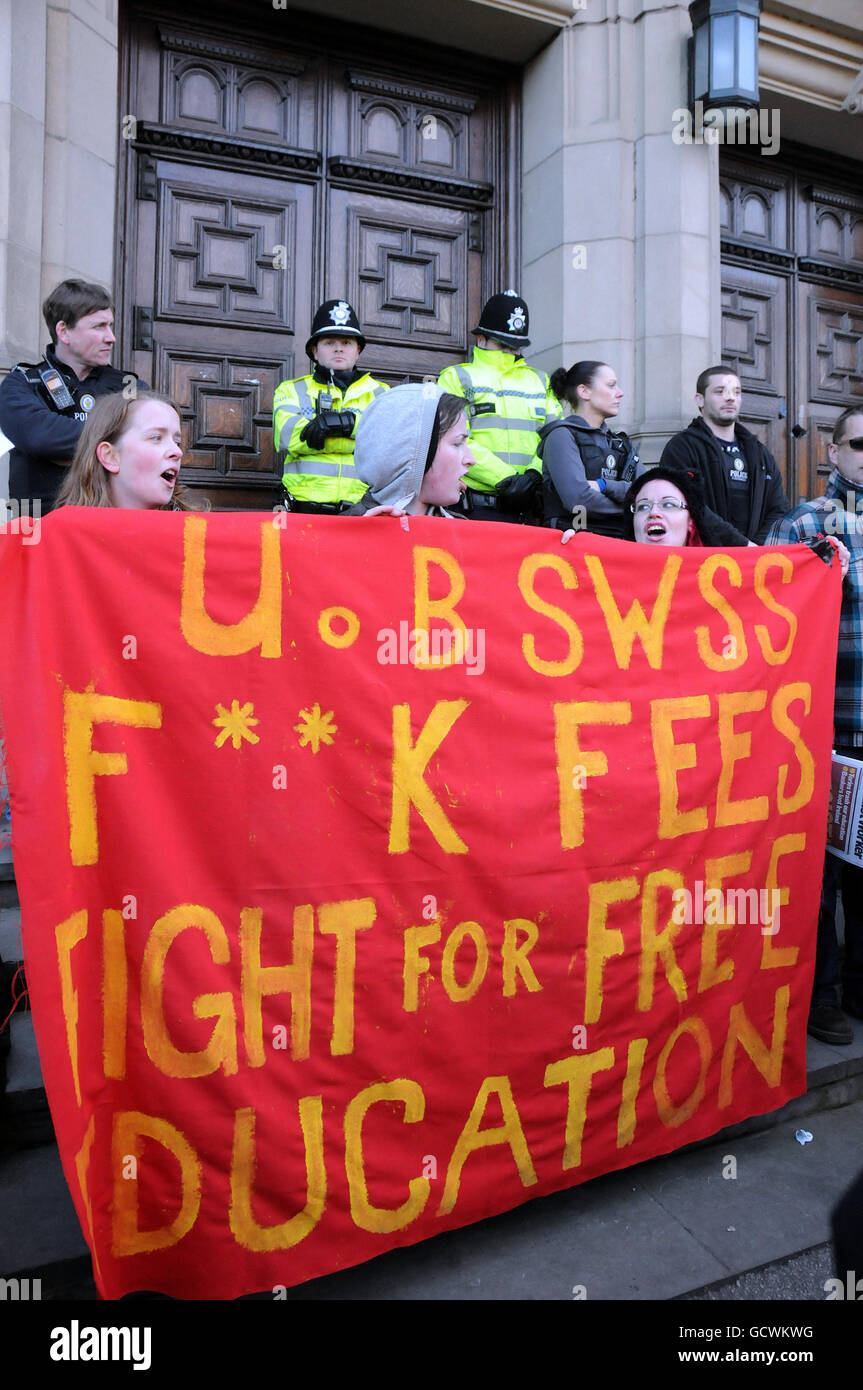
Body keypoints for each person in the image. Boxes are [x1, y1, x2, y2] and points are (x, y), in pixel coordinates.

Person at [768, 407, 863, 1045]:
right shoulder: (805, 522)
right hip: (829, 726)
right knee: (820, 876)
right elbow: (767, 614)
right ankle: (820, 997)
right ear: (834, 450)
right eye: (860, 443)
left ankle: (857, 987)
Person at [0, 279, 146, 514]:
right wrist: (114, 442)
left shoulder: (129, 386)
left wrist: (65, 452)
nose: (111, 337)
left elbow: (150, 439)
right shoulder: (22, 383)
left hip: (108, 520)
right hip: (41, 522)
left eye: (110, 325)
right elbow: (40, 437)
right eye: (99, 327)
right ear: (64, 331)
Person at [437, 291, 559, 523]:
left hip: (533, 506)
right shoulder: (456, 377)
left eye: (516, 346)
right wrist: (506, 479)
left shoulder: (541, 381)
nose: (511, 352)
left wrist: (533, 475)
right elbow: (451, 438)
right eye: (503, 344)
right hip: (477, 508)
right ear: (480, 339)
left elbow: (555, 437)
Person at [272, 299, 388, 514]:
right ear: (315, 351)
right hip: (303, 512)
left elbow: (389, 444)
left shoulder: (382, 393)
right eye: (329, 343)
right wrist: (360, 436)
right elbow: (288, 438)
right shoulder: (290, 390)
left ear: (358, 351)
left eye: (346, 343)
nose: (338, 349)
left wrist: (344, 425)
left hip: (362, 512)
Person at [659, 366, 790, 545]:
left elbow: (778, 509)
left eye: (736, 392)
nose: (730, 397)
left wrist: (756, 547)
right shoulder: (681, 448)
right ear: (700, 400)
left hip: (754, 560)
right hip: (703, 560)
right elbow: (688, 505)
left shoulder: (760, 453)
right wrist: (739, 545)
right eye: (720, 391)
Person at [541, 361, 641, 536]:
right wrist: (634, 507)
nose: (620, 393)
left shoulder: (620, 444)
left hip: (620, 543)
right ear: (584, 391)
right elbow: (579, 501)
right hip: (576, 546)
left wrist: (604, 485)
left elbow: (648, 491)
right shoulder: (561, 436)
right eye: (611, 385)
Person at [54, 392, 200, 511]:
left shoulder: (196, 536)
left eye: (177, 442)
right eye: (156, 437)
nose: (177, 452)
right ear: (109, 456)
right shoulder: (58, 539)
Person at [347, 385, 473, 517]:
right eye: (457, 443)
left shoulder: (465, 532)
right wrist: (361, 535)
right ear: (407, 451)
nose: (471, 459)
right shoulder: (334, 534)